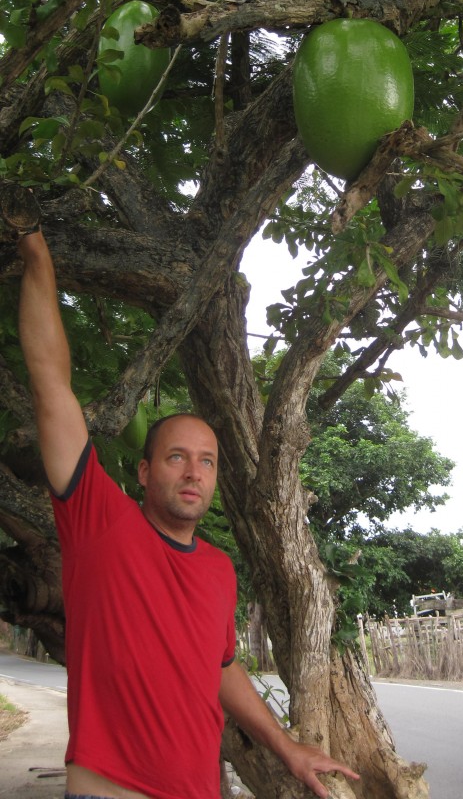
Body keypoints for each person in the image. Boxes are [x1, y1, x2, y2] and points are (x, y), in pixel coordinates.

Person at [15, 222, 360, 799]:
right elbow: (52, 384)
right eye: (176, 457)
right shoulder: (99, 519)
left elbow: (222, 671)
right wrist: (36, 254)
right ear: (146, 472)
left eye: (207, 460)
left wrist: (288, 747)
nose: (194, 471)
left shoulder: (219, 570)